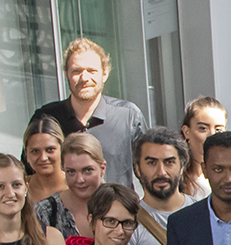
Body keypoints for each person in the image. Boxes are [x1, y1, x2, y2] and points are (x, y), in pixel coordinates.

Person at [29, 37, 147, 189]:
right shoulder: (46, 118)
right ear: (66, 75)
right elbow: (29, 171)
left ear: (105, 74)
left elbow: (148, 170)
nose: (84, 78)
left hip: (117, 209)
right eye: (76, 71)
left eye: (91, 70)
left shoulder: (128, 116)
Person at [34, 132, 107, 240]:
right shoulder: (45, 212)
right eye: (71, 172)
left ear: (102, 169)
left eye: (87, 170)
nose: (80, 180)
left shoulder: (120, 205)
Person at [133, 127, 195, 245]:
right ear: (137, 169)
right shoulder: (129, 225)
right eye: (151, 163)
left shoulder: (205, 216)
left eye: (169, 162)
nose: (161, 172)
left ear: (182, 166)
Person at [177, 96, 226, 201]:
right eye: (203, 128)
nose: (212, 135)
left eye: (218, 130)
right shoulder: (175, 176)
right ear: (186, 132)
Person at [23, 115, 68, 203]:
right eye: (35, 151)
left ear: (62, 150)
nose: (43, 158)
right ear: (26, 154)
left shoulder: (77, 187)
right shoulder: (19, 189)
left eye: (50, 150)